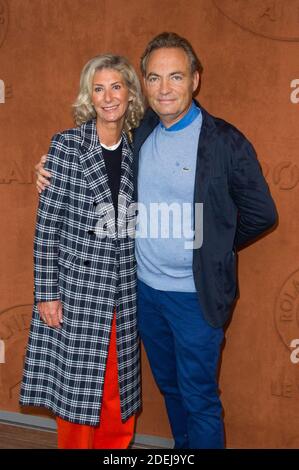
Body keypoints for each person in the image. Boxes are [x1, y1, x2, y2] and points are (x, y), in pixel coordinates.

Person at [35, 32, 278, 449]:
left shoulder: (225, 142)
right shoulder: (139, 133)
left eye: (176, 77)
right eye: (154, 78)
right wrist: (47, 166)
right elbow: (94, 155)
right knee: (171, 389)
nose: (164, 88)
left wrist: (213, 244)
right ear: (143, 86)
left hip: (195, 299)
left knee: (199, 398)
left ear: (195, 80)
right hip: (143, 294)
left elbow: (262, 214)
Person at [20, 54, 144, 449]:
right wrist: (47, 293)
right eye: (98, 88)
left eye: (116, 86)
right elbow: (47, 227)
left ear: (129, 93)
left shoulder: (138, 146)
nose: (108, 97)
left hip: (123, 292)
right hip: (75, 292)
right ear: (88, 97)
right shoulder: (66, 145)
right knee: (75, 395)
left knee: (117, 392)